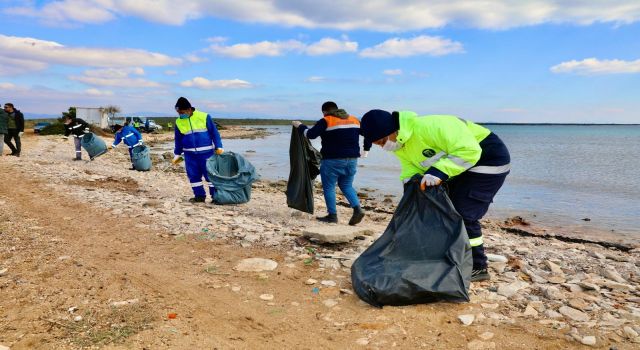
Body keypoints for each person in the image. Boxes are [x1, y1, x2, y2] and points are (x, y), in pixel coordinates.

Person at [360, 110, 510, 282]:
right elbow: (411, 169)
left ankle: (478, 266)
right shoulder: (401, 144)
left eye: (381, 141)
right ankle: (453, 254)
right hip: (460, 167)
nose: (382, 146)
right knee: (442, 208)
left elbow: (469, 151)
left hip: (487, 160)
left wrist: (439, 172)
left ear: (390, 130)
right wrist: (410, 192)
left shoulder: (431, 127)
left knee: (463, 213)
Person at [292, 101, 367, 225]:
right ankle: (357, 209)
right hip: (352, 159)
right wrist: (366, 149)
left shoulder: (326, 120)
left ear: (324, 112)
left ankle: (332, 216)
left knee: (329, 187)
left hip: (332, 160)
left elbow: (310, 135)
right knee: (346, 185)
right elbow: (367, 134)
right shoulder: (354, 120)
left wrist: (300, 126)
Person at [172, 97, 224, 203]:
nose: (180, 115)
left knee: (210, 175)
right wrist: (177, 154)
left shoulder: (204, 116)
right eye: (178, 112)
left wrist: (219, 146)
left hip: (207, 153)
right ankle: (199, 196)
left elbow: (214, 133)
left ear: (189, 109)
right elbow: (178, 139)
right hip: (189, 154)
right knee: (193, 176)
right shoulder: (178, 122)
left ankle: (216, 197)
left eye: (182, 112)